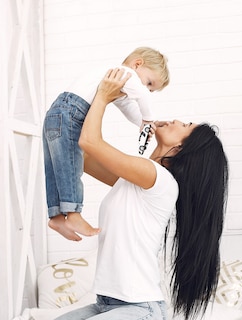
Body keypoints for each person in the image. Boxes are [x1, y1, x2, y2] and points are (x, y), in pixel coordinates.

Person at [21, 68, 228, 320]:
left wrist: (103, 98)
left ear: (183, 147)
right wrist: (66, 115)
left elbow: (89, 143)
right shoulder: (136, 176)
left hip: (139, 311)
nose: (175, 120)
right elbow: (84, 157)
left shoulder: (155, 177)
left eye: (185, 125)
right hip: (106, 305)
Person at [44, 47, 170, 241]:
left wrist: (145, 124)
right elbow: (142, 98)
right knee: (70, 165)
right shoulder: (126, 74)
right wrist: (148, 119)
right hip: (71, 113)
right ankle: (74, 214)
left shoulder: (117, 82)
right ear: (138, 64)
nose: (147, 90)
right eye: (149, 83)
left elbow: (128, 107)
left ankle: (57, 216)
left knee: (55, 167)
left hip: (56, 113)